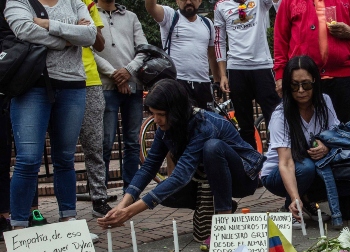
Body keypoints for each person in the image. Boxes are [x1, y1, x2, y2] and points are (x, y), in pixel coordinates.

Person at [97, 79, 264, 229]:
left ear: (176, 111)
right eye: (153, 114)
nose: (156, 120)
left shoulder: (204, 125)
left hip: (243, 179)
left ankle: (224, 221)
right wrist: (123, 205)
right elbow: (149, 167)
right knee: (165, 195)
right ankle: (211, 205)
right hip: (206, 179)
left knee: (213, 148)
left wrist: (130, 212)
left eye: (161, 115)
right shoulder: (167, 128)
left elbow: (180, 176)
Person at [4, 0, 96, 229]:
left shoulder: (74, 1)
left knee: (65, 159)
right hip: (32, 86)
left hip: (73, 85)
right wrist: (69, 36)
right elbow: (23, 30)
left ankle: (69, 221)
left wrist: (47, 24)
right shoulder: (18, 1)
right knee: (27, 160)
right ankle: (19, 232)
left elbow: (90, 36)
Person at [262, 55, 350, 228]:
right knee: (306, 167)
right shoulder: (281, 115)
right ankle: (292, 208)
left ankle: (308, 201)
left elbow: (337, 133)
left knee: (338, 168)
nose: (301, 90)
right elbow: (286, 162)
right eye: (294, 85)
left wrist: (326, 146)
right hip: (277, 174)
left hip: (310, 166)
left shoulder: (324, 101)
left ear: (315, 82)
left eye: (306, 84)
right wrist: (294, 197)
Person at [273, 0, 350, 124]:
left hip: (342, 79)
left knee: (344, 132)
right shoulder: (288, 2)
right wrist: (280, 75)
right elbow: (280, 38)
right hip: (303, 79)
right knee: (305, 131)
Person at [93, 0, 147, 193]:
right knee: (105, 143)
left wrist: (128, 71)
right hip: (105, 86)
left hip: (133, 86)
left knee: (132, 141)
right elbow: (89, 51)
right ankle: (101, 194)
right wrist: (115, 75)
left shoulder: (131, 17)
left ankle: (130, 192)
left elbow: (143, 49)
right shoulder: (90, 13)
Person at [214, 0, 280, 149]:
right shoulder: (221, 5)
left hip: (262, 66)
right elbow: (219, 40)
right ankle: (251, 165)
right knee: (245, 125)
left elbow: (280, 7)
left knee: (275, 117)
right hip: (236, 68)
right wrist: (223, 75)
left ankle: (278, 160)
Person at [145, 0, 221, 110]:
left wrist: (217, 81)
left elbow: (212, 55)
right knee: (179, 122)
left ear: (200, 1)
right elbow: (150, 7)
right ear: (177, 1)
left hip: (203, 83)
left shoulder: (208, 23)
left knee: (205, 123)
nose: (188, 2)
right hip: (178, 81)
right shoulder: (170, 16)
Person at [79, 0, 111, 217]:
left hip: (90, 81)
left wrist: (88, 26)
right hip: (55, 80)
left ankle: (99, 199)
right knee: (62, 155)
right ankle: (65, 211)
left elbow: (100, 44)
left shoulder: (86, 2)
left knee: (95, 146)